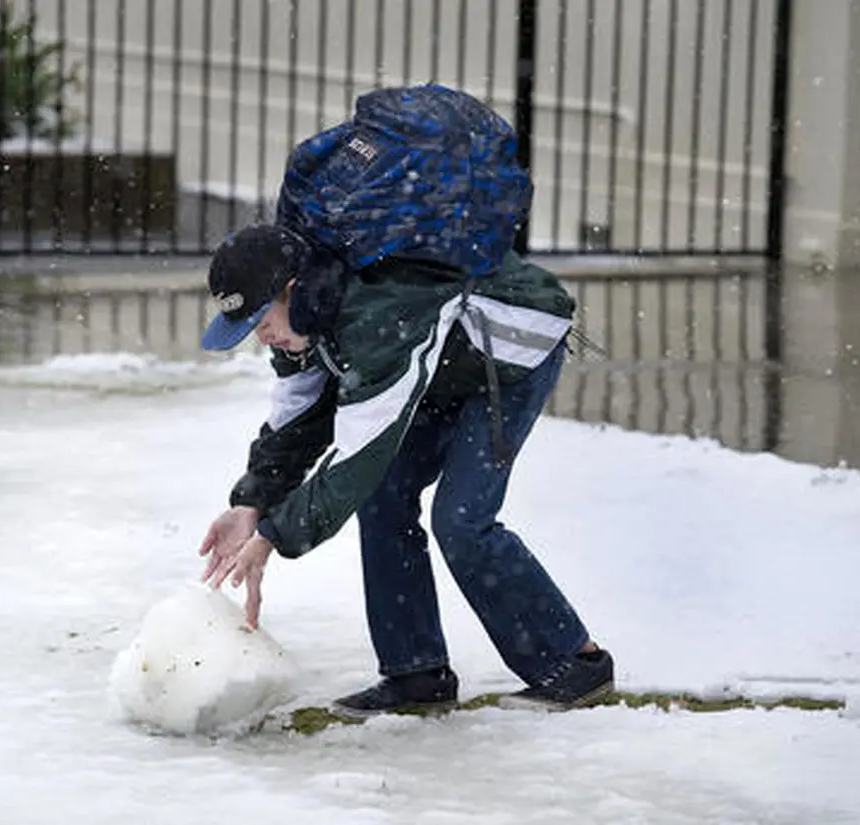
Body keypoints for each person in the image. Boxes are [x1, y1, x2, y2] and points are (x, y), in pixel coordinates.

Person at [196, 84, 614, 715]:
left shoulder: (379, 314)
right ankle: (416, 675)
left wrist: (277, 537)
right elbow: (296, 420)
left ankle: (573, 665)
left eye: (261, 318)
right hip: (439, 368)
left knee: (461, 521)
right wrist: (251, 502)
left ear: (292, 287)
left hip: (509, 358)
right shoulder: (309, 318)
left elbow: (360, 449)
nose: (264, 336)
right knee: (386, 498)